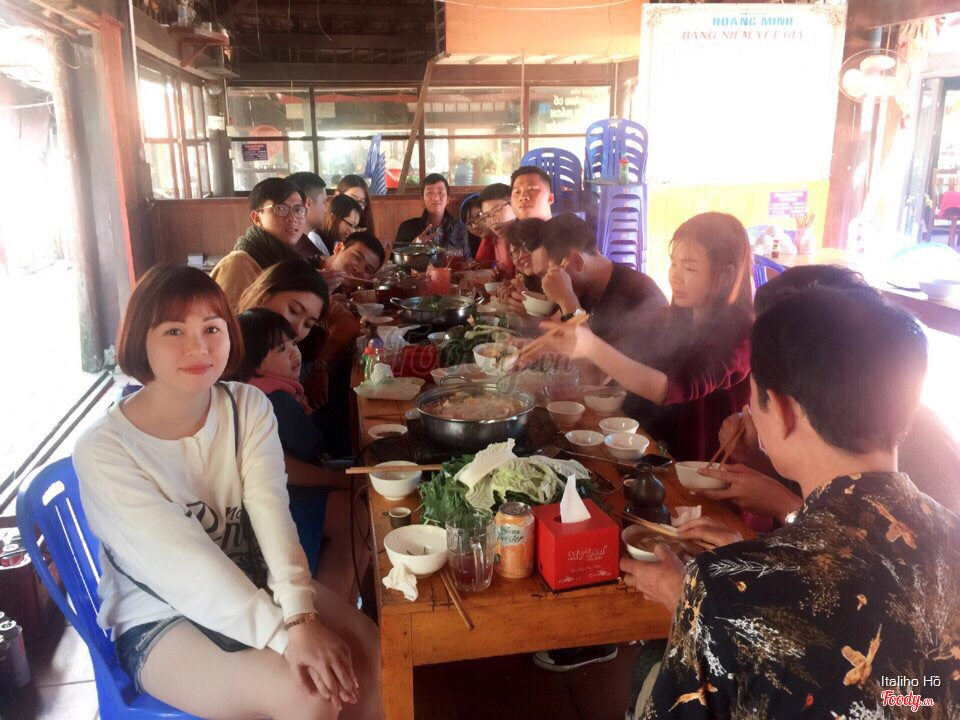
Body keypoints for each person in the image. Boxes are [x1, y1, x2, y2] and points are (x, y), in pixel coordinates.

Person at [624, 287, 960, 719]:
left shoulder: (721, 586)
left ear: (782, 411)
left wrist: (704, 610)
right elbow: (906, 695)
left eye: (753, 398)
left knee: (647, 670)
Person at [73, 265, 381, 719]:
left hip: (254, 578)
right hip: (160, 616)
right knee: (310, 691)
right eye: (174, 330)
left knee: (370, 649)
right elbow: (184, 568)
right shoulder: (105, 448)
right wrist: (287, 635)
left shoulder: (247, 406)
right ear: (140, 340)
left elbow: (272, 514)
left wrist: (300, 615)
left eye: (212, 328)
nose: (198, 346)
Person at [699, 264, 960, 519]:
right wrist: (758, 460)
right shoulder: (839, 408)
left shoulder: (910, 437)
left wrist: (787, 508)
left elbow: (885, 538)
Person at [529, 212, 753, 461]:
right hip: (655, 451)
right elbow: (605, 366)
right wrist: (553, 346)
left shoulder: (739, 335)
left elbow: (668, 388)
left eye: (689, 267)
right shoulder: (673, 318)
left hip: (703, 468)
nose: (675, 276)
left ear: (727, 275)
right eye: (673, 263)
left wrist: (590, 344)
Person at [233, 308, 364, 599]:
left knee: (363, 490)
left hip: (285, 490)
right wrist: (339, 479)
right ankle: (332, 610)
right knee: (354, 511)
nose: (294, 352)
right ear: (252, 362)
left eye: (292, 343)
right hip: (279, 501)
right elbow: (284, 466)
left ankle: (352, 603)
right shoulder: (271, 400)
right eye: (281, 349)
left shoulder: (273, 391)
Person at [211, 177, 307, 310]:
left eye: (298, 210)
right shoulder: (238, 264)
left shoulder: (291, 260)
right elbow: (233, 320)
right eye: (281, 209)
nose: (292, 218)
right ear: (256, 218)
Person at [395, 173, 472, 259]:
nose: (435, 198)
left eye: (440, 192)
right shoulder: (407, 228)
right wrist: (414, 246)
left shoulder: (460, 229)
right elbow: (395, 262)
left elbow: (468, 261)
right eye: (430, 193)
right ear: (422, 199)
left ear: (448, 199)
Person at [475, 183, 516, 277]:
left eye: (497, 210)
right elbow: (481, 263)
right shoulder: (495, 238)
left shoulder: (526, 238)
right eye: (487, 215)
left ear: (514, 204)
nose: (493, 221)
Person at [287, 171, 330, 258]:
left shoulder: (299, 242)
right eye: (323, 202)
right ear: (308, 203)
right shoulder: (303, 251)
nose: (326, 210)